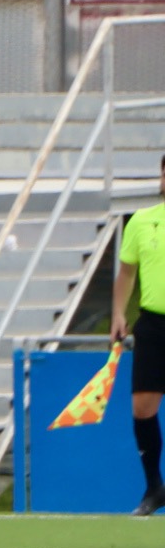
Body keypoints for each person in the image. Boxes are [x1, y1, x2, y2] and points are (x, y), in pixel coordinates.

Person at [110, 155, 165, 514]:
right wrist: (117, 313)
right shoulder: (142, 221)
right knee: (142, 408)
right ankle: (154, 487)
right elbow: (127, 273)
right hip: (154, 324)